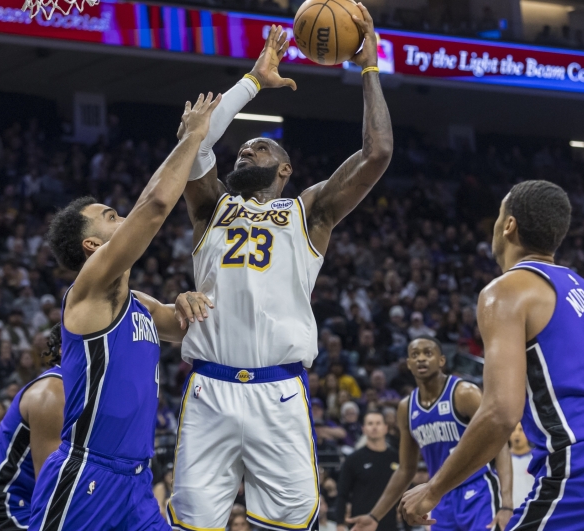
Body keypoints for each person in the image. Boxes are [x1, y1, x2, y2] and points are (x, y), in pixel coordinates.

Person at [169, 15, 393, 530]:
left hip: (280, 391)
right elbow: (196, 141)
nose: (246, 150)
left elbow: (378, 152)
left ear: (286, 170)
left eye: (261, 148)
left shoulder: (309, 211)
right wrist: (252, 80)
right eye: (244, 148)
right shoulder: (210, 207)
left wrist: (369, 69)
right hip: (209, 389)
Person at [400, 181, 584, 529]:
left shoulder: (507, 289)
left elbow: (500, 412)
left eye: (499, 216)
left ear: (509, 225)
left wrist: (434, 488)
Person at [26, 92, 220, 531]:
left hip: (136, 481)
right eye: (111, 216)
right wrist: (192, 138)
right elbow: (152, 209)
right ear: (92, 247)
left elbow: (184, 324)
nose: (123, 219)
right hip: (86, 476)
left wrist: (187, 301)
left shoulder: (139, 303)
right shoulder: (90, 289)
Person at [349, 337, 513, 531]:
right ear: (408, 364)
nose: (421, 359)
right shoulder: (406, 408)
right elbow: (405, 470)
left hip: (478, 492)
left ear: (441, 360)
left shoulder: (464, 393)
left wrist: (507, 504)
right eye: (415, 355)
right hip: (439, 497)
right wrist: (375, 516)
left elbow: (500, 444)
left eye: (428, 353)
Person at [0, 325, 64, 531]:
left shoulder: (87, 393)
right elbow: (53, 484)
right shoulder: (54, 391)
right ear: (65, 348)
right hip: (2, 503)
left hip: (26, 504)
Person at [334, 411, 399, 531]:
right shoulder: (353, 459)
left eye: (378, 423)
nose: (374, 427)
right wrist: (339, 524)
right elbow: (342, 494)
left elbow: (405, 491)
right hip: (361, 525)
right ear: (363, 429)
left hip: (390, 525)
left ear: (386, 428)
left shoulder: (396, 458)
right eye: (370, 423)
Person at [508, 423, 534, 509]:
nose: (516, 434)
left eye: (520, 430)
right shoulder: (501, 463)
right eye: (513, 430)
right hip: (510, 513)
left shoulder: (536, 458)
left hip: (532, 510)